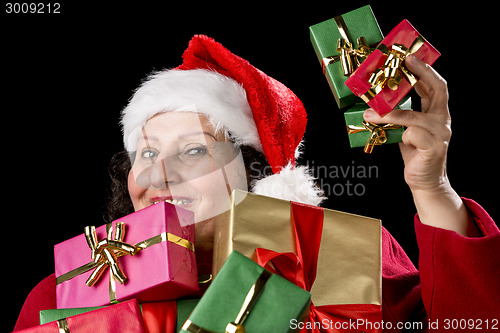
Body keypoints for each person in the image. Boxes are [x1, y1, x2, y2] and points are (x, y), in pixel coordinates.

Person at [14, 35, 500, 332]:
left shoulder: (343, 255)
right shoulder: (62, 294)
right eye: (147, 152)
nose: (159, 176)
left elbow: (472, 323)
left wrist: (432, 191)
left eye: (194, 151)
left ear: (254, 171)